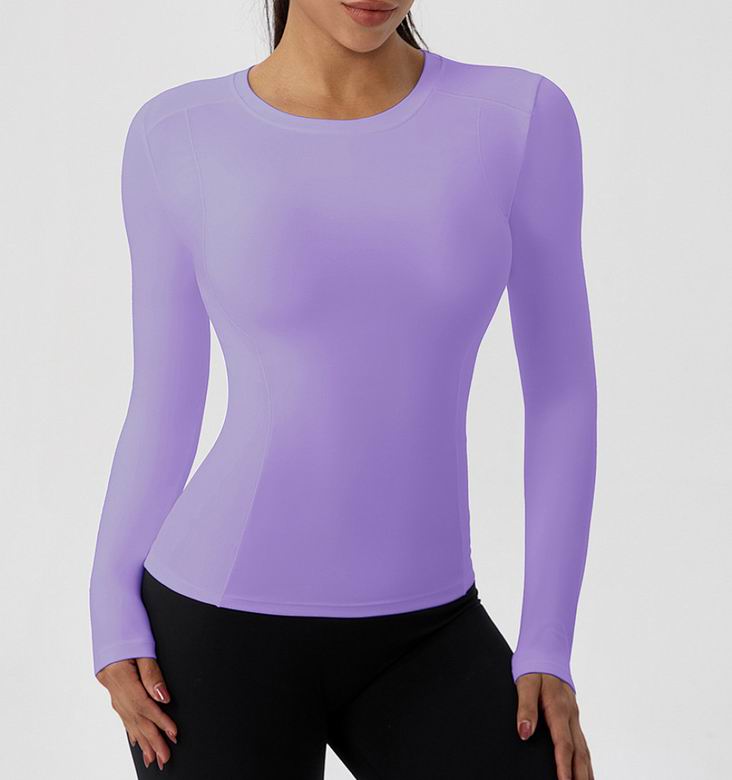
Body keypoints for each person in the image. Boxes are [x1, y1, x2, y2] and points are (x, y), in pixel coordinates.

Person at [89, 1, 598, 778]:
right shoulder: (179, 134)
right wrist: (111, 614)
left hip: (428, 630)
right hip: (216, 624)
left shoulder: (518, 119)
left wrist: (547, 645)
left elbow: (562, 394)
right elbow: (164, 403)